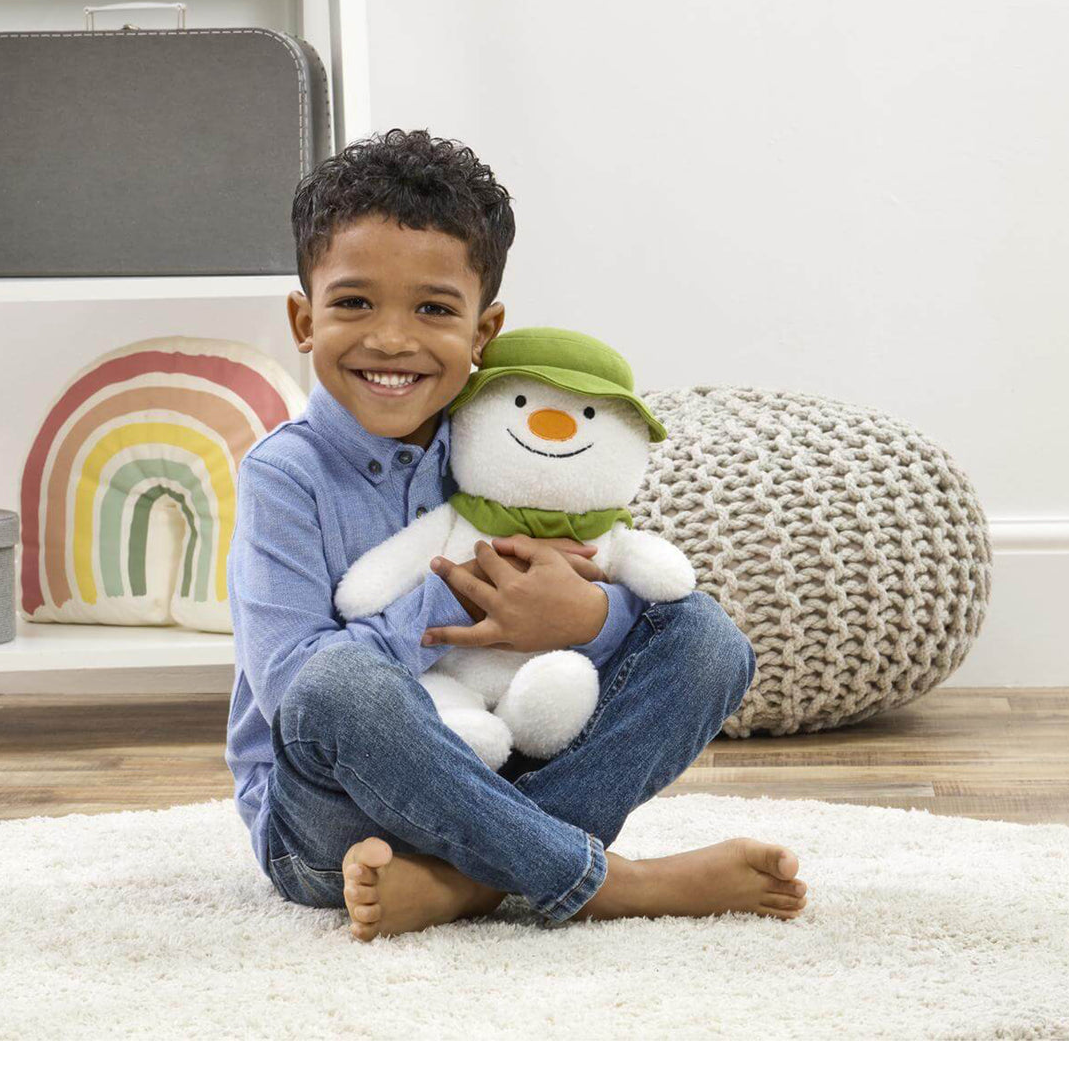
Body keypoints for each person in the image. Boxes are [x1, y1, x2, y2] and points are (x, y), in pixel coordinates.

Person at [224, 127, 809, 941]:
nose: (391, 339)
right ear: (303, 317)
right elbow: (295, 690)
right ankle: (610, 884)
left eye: (434, 309)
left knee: (706, 639)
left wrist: (585, 620)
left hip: (512, 767)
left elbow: (606, 592)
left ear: (483, 333)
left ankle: (467, 883)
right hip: (336, 824)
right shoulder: (284, 475)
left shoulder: (502, 445)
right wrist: (460, 599)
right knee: (338, 683)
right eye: (354, 303)